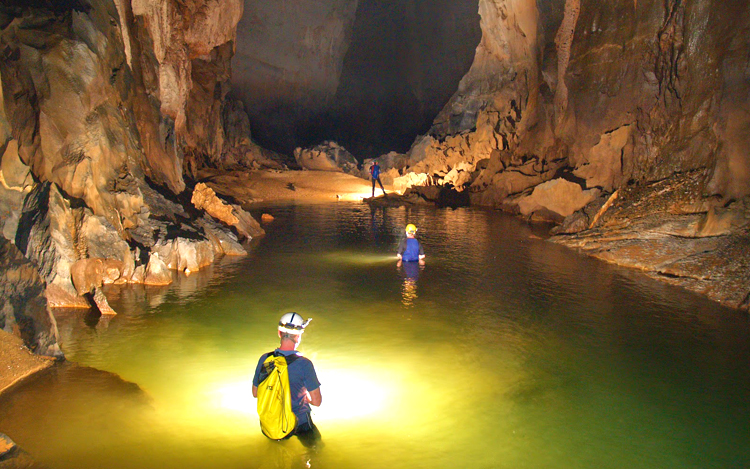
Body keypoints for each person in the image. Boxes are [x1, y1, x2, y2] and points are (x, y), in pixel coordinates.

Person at [252, 312, 322, 446]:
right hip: (299, 422)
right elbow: (317, 401)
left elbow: (255, 393)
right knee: (316, 450)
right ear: (298, 336)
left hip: (274, 422)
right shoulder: (304, 364)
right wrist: (307, 399)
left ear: (279, 333)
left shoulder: (265, 359)